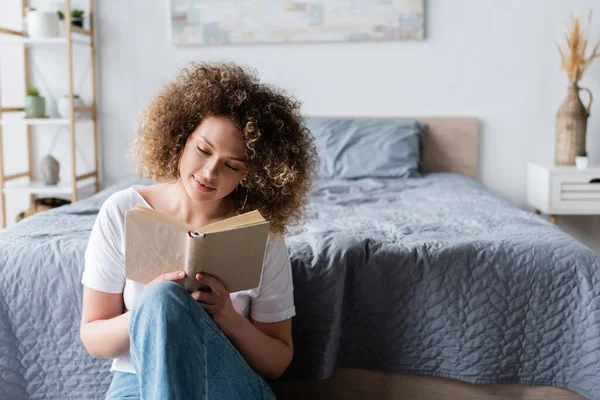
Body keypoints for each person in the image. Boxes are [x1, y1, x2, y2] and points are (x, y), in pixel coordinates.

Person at [79, 61, 318, 399]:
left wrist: (228, 318)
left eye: (231, 165)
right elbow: (94, 338)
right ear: (182, 137)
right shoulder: (122, 211)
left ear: (250, 174)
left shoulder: (261, 233)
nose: (209, 172)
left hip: (224, 380)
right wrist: (149, 308)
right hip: (138, 379)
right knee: (161, 297)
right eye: (203, 150)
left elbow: (277, 362)